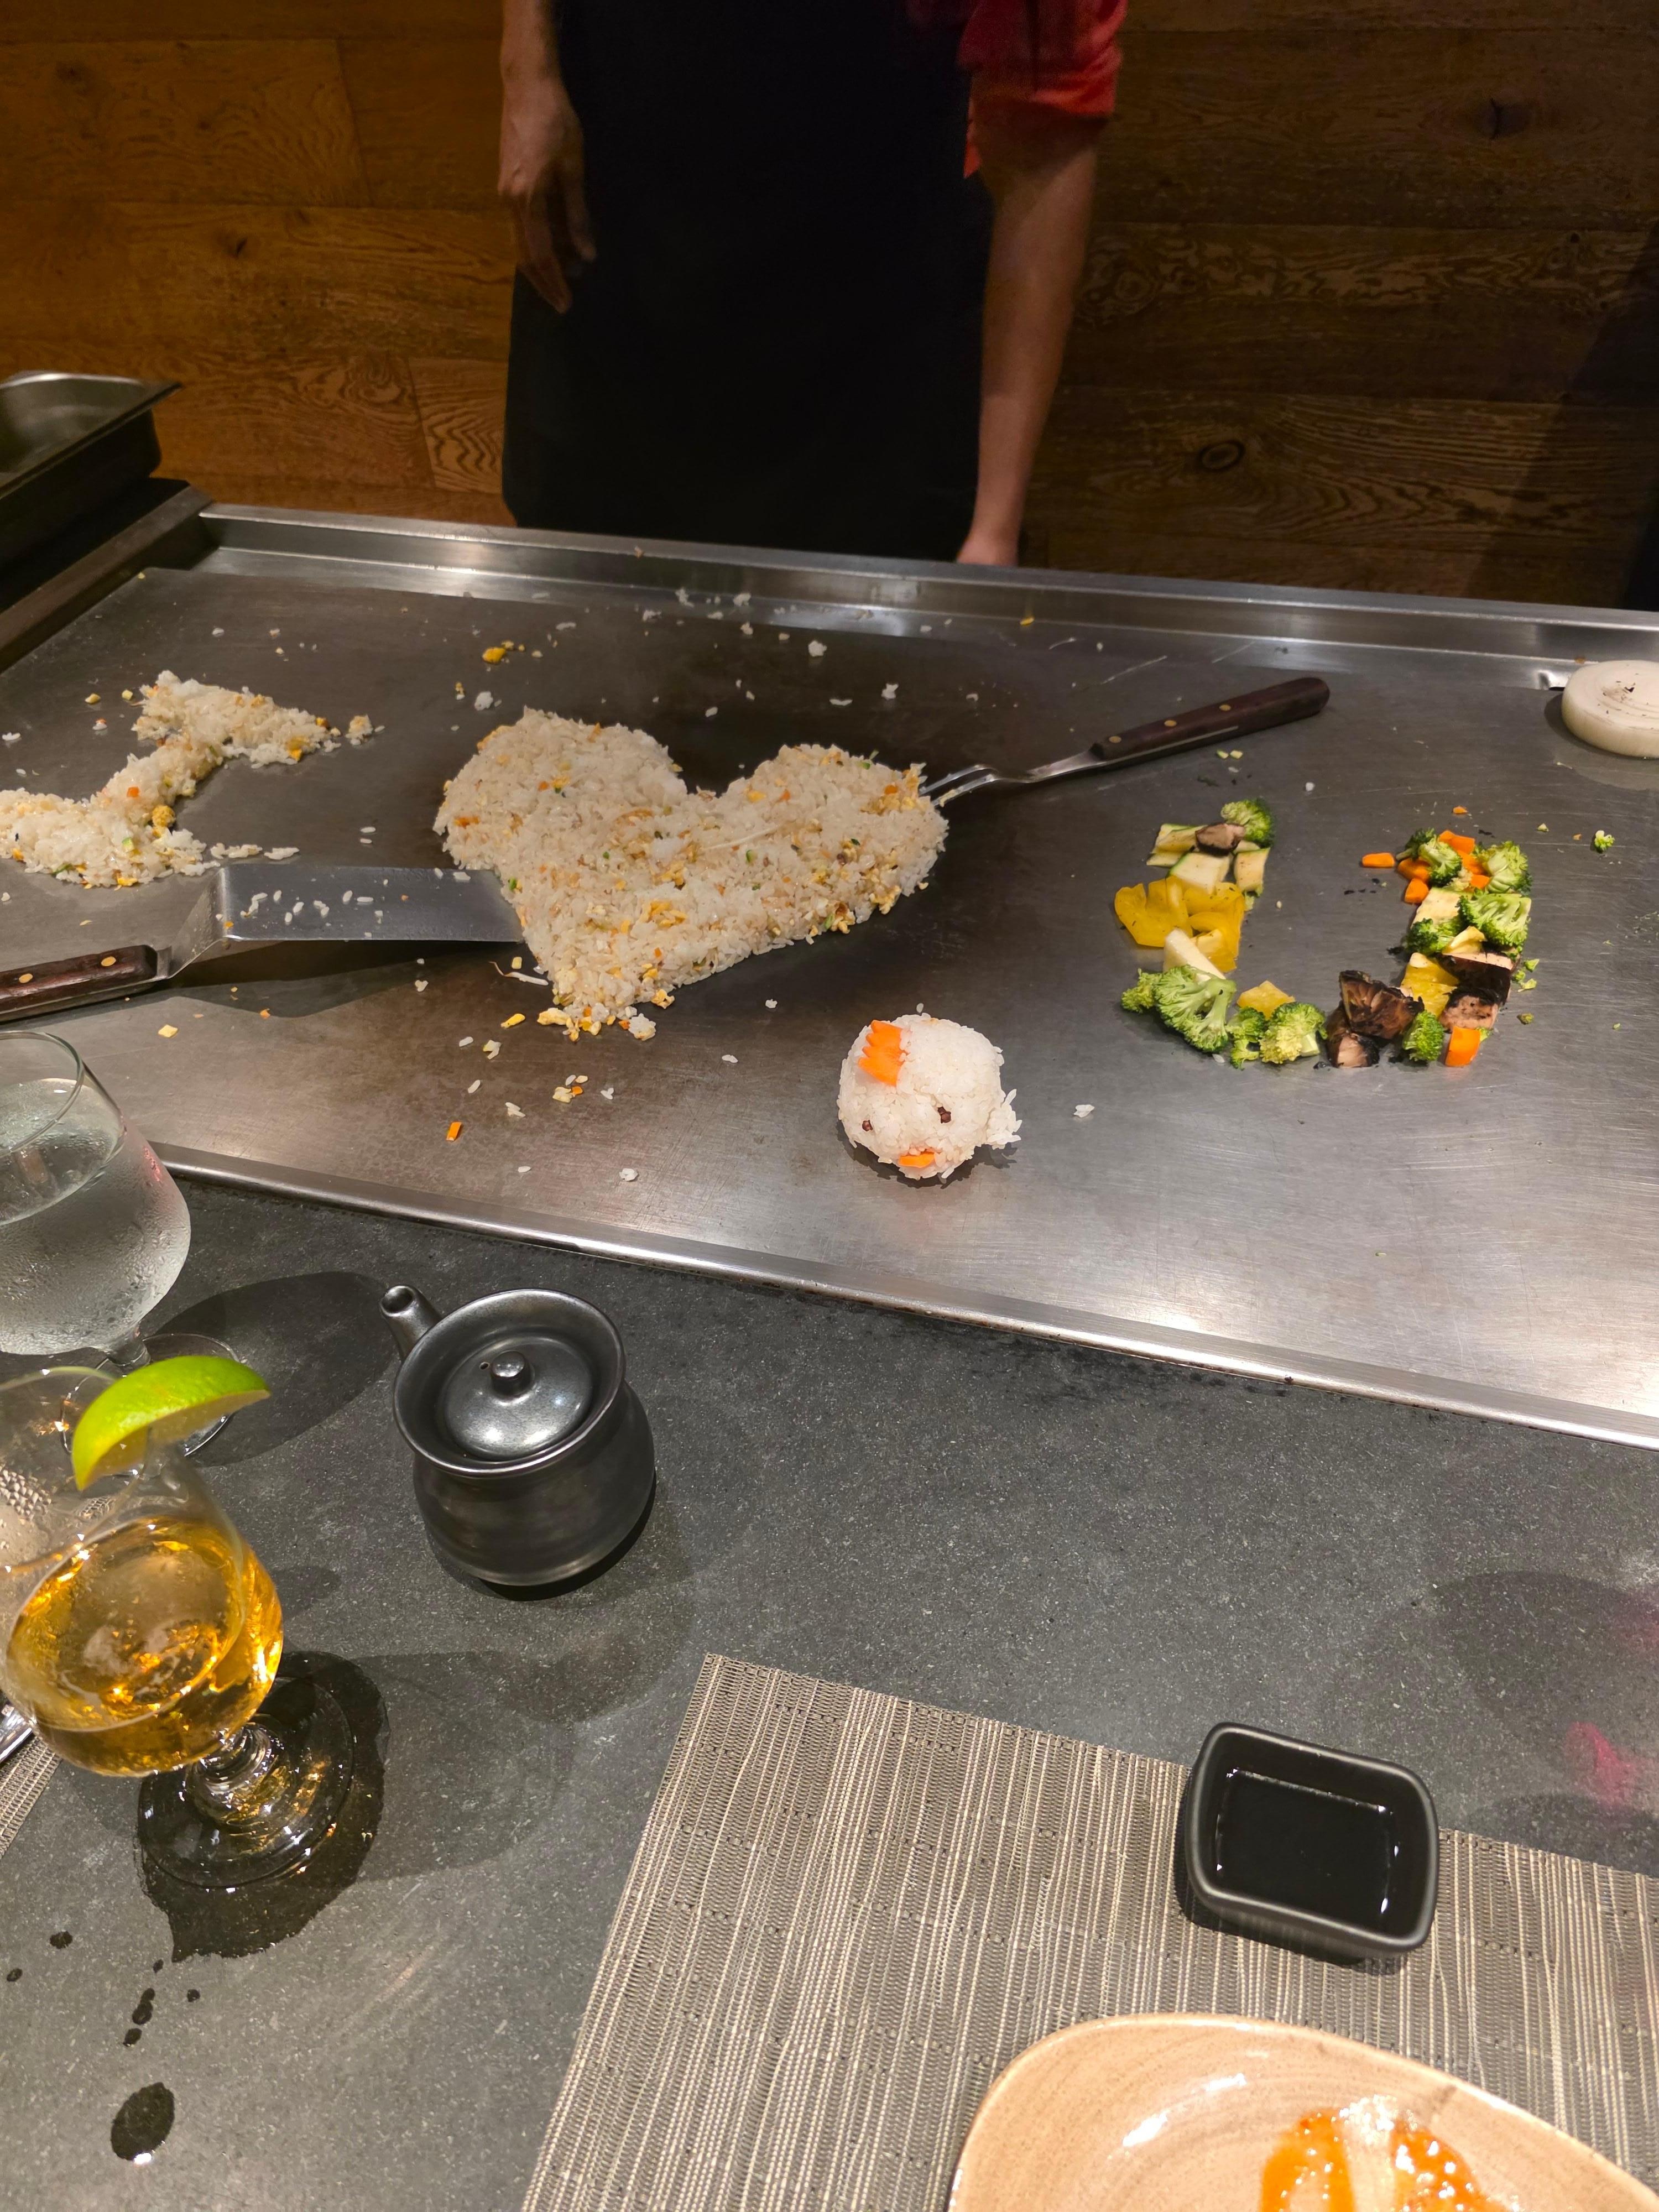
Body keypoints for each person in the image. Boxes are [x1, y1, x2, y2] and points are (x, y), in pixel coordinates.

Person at [498, 0, 1125, 566]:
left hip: (877, 294)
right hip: (622, 210)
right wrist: (527, 67)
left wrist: (993, 532)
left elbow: (1050, 132)